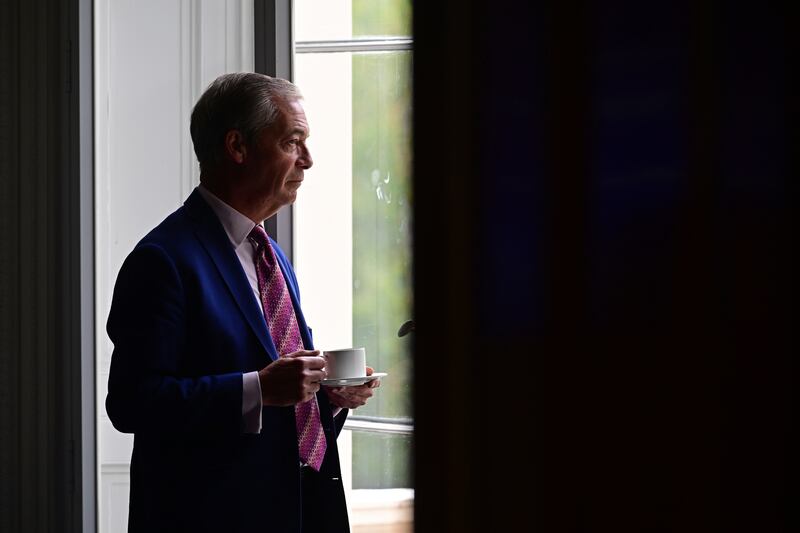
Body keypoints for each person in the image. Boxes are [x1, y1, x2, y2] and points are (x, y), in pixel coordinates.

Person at [106, 72, 380, 533]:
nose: (308, 160)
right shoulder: (162, 260)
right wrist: (257, 389)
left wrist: (327, 397)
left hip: (299, 509)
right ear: (238, 147)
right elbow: (132, 403)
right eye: (293, 142)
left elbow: (277, 395)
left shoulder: (270, 255)